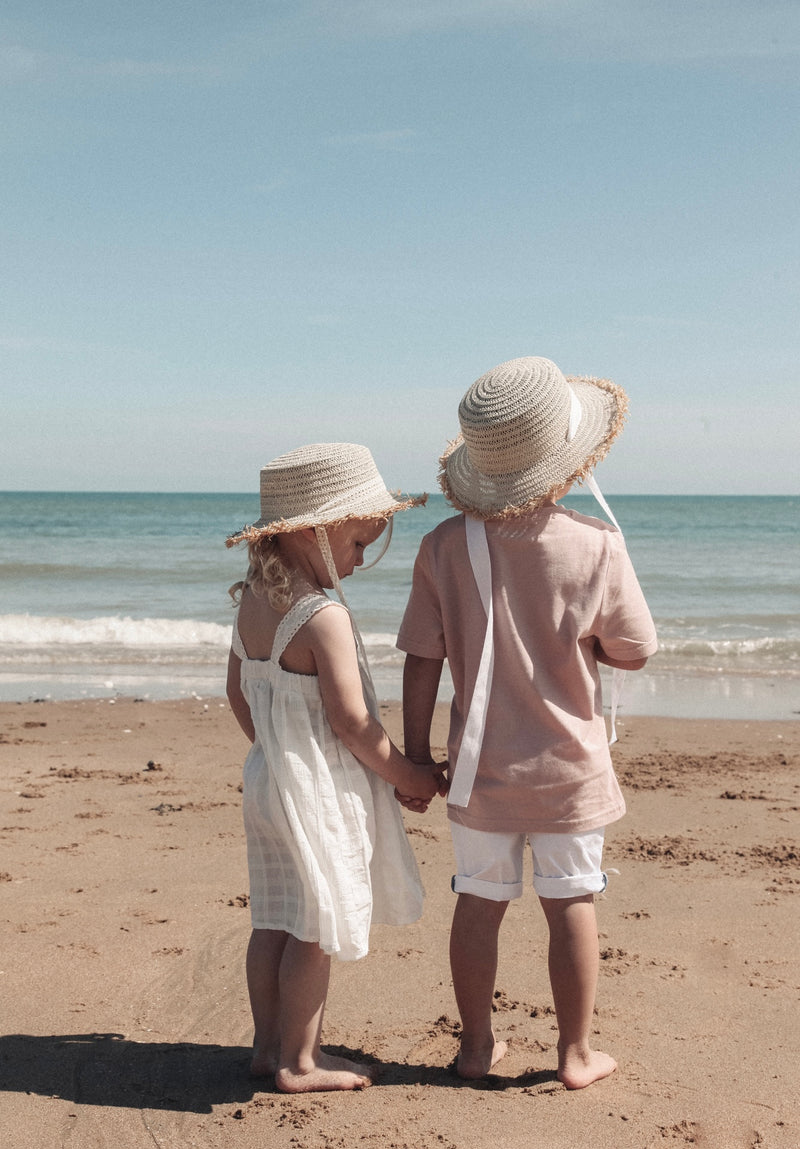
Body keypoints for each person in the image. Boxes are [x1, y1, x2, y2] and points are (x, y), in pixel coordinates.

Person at [396, 356, 658, 1090]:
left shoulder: (444, 547)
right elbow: (635, 652)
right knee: (572, 901)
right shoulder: (596, 546)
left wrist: (417, 758)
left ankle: (476, 1045)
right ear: (567, 462)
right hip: (568, 770)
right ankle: (574, 1054)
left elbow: (422, 659)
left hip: (478, 769)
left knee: (478, 902)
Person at [226, 442, 446, 1094]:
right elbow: (352, 723)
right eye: (357, 543)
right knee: (317, 926)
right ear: (315, 532)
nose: (359, 560)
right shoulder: (323, 617)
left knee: (275, 916)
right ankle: (300, 1060)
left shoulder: (252, 603)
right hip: (318, 790)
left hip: (268, 780)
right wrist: (409, 776)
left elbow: (239, 691)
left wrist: (273, 748)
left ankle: (268, 1046)